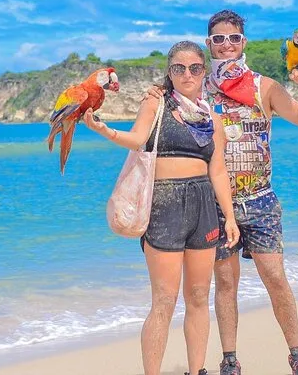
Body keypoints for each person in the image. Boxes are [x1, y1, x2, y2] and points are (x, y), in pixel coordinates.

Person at [147, 10, 298, 375]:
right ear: (208, 44)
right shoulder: (197, 88)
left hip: (260, 199)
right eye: (219, 39)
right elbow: (163, 108)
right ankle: (229, 360)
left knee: (275, 277)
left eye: (234, 38)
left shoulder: (263, 87)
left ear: (244, 42)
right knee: (225, 283)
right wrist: (155, 93)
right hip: (213, 203)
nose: (227, 45)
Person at [84, 40, 240, 375]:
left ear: (204, 71)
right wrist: (104, 129)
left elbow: (218, 170)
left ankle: (197, 370)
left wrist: (229, 216)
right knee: (164, 300)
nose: (187, 74)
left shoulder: (212, 118)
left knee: (198, 295)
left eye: (195, 68)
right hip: (164, 205)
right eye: (179, 68)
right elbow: (137, 139)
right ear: (170, 72)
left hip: (203, 207)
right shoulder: (156, 103)